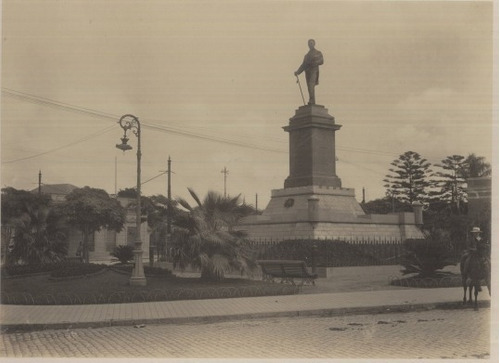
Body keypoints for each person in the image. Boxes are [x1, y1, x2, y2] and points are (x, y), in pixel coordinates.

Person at [294, 39, 324, 105]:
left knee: (311, 85)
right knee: (309, 87)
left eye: (311, 43)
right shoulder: (306, 56)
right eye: (309, 43)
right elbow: (303, 65)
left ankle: (311, 100)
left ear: (314, 44)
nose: (310, 44)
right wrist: (298, 72)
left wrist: (314, 63)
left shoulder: (318, 52)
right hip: (307, 72)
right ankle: (312, 100)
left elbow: (321, 61)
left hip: (314, 71)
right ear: (308, 45)